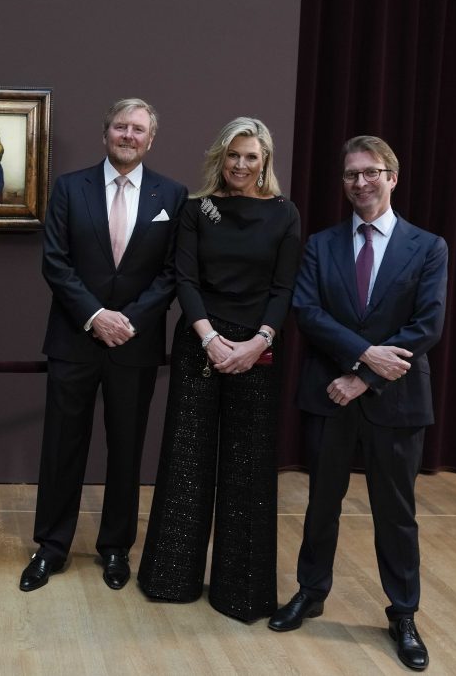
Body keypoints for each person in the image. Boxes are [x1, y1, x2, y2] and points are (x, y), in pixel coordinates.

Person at [269, 136, 447, 672]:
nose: (361, 183)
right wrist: (364, 354)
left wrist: (364, 377)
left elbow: (426, 325)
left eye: (371, 172)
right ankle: (311, 590)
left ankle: (404, 612)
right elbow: (307, 311)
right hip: (329, 393)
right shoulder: (320, 245)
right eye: (351, 175)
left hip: (395, 401)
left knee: (397, 513)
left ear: (393, 177)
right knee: (321, 503)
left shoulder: (428, 246)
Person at [136, 117, 301, 621]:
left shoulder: (284, 214)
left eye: (251, 156)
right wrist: (209, 339)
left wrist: (257, 343)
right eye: (234, 155)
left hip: (258, 351)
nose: (241, 165)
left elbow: (283, 288)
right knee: (188, 463)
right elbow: (185, 279)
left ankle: (242, 592)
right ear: (220, 157)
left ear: (265, 161)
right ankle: (170, 578)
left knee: (247, 470)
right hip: (200, 348)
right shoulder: (196, 209)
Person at [20, 98, 187, 593]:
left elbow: (173, 272)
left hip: (135, 344)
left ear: (150, 139)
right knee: (61, 448)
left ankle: (115, 548)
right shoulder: (70, 188)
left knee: (126, 448)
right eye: (121, 126)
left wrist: (127, 321)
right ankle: (51, 547)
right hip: (74, 339)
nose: (128, 135)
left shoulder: (172, 195)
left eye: (138, 129)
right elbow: (55, 262)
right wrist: (95, 316)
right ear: (105, 133)